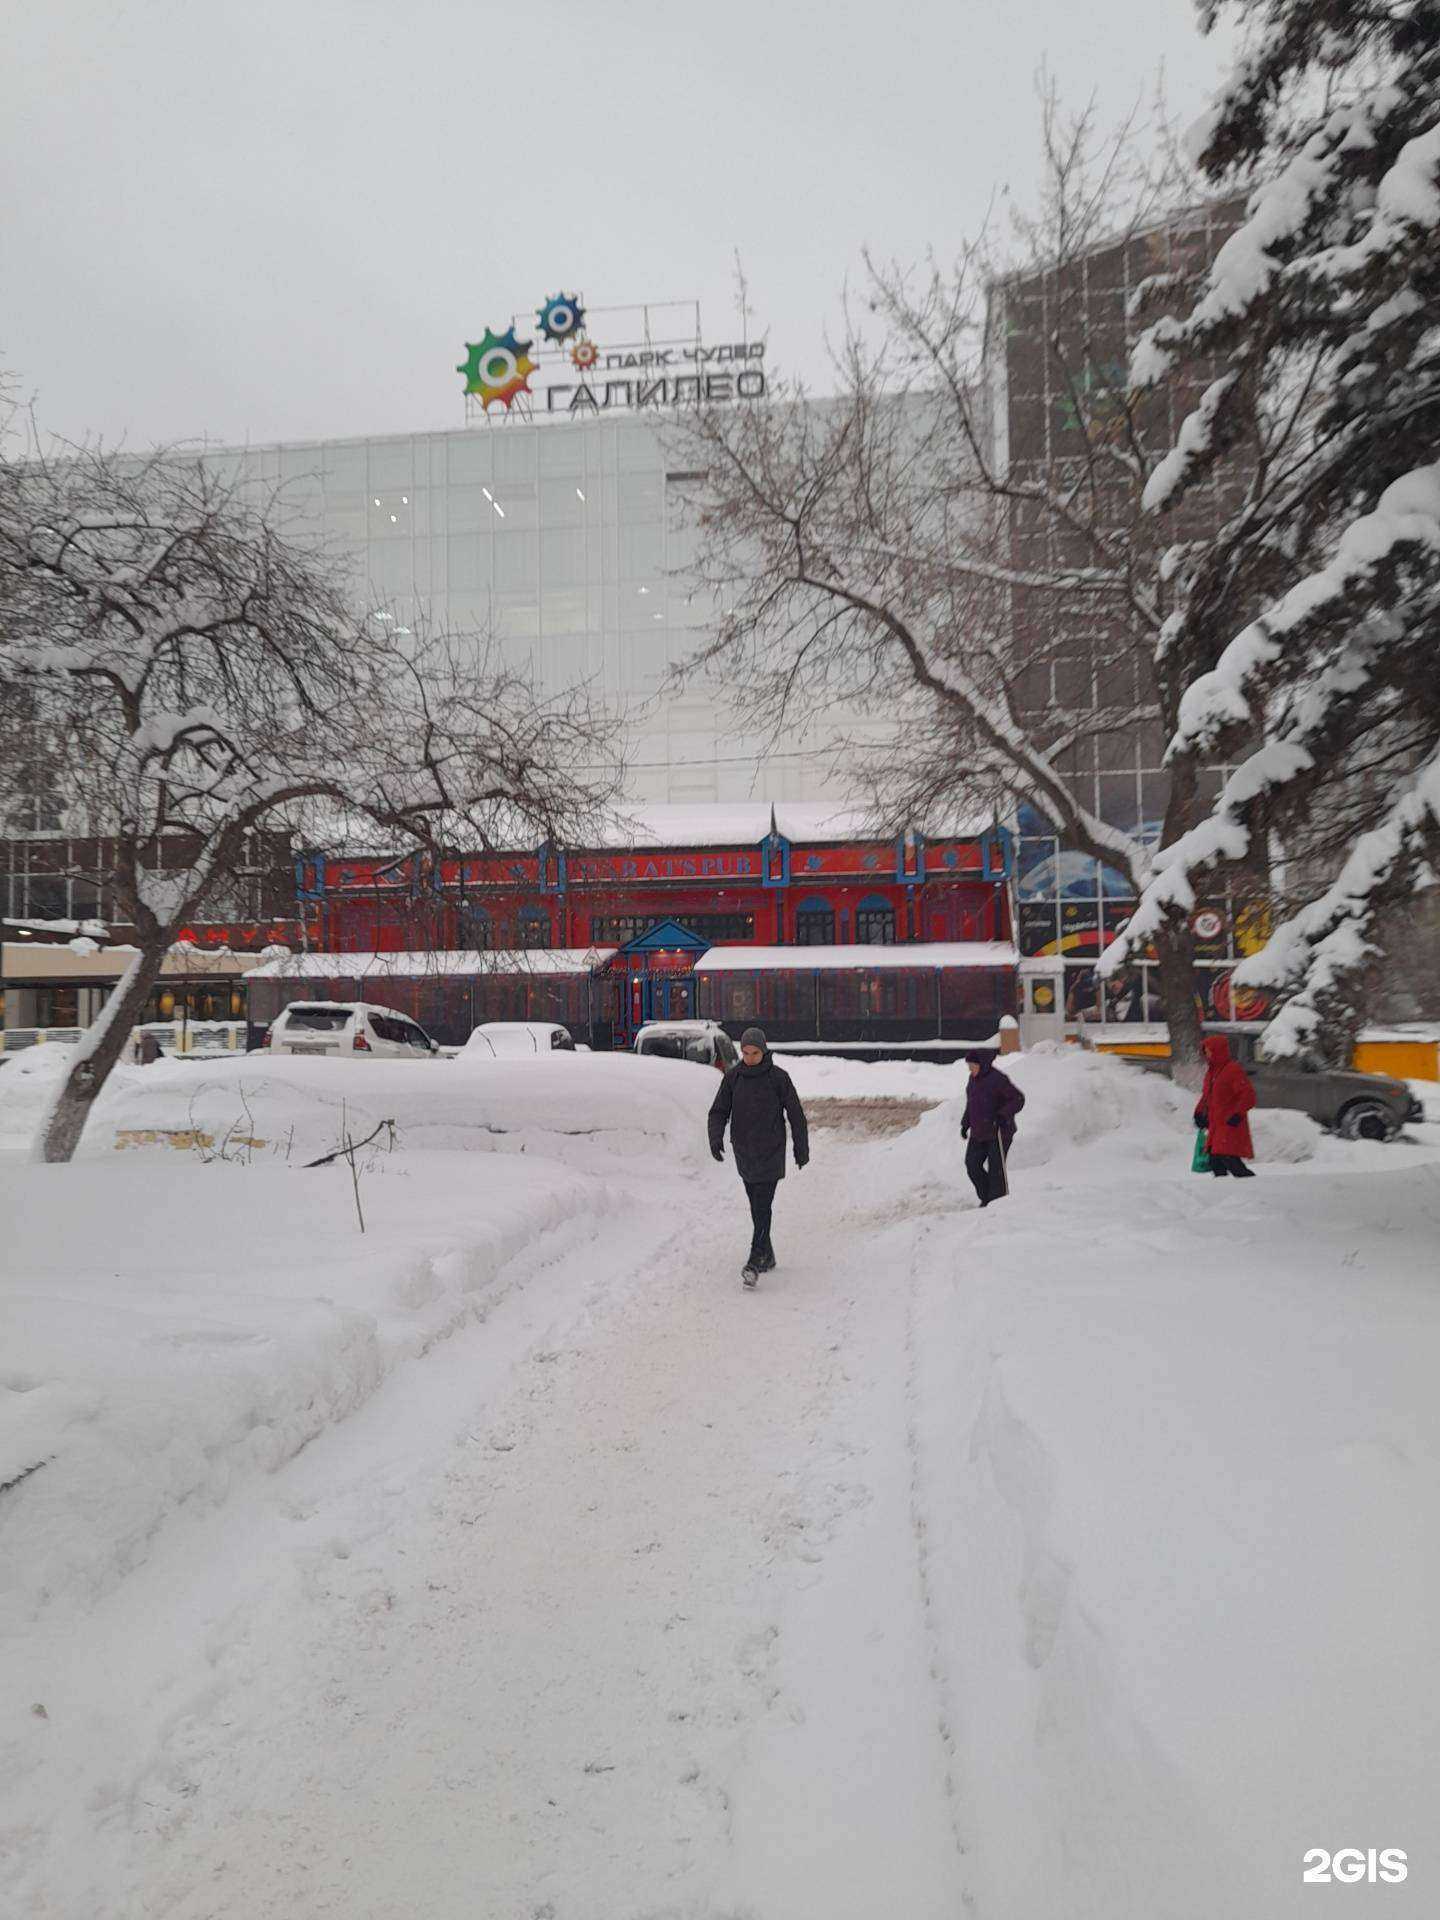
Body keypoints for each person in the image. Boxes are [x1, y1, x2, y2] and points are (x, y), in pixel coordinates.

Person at [708, 1026, 809, 1287]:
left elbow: (796, 1115)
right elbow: (718, 1111)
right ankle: (769, 1254)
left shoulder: (778, 1078)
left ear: (764, 1051)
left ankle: (754, 1259)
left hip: (771, 1150)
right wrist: (715, 1138)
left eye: (754, 1053)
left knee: (763, 1203)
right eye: (745, 1052)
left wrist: (801, 1148)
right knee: (757, 1205)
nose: (749, 1057)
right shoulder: (733, 1079)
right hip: (745, 1151)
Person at [961, 1047, 1025, 1206]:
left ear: (982, 1064)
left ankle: (997, 1203)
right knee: (972, 1164)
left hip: (999, 1132)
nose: (970, 1069)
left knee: (996, 1170)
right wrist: (965, 1123)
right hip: (979, 1132)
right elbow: (971, 1104)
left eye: (972, 1065)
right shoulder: (972, 1080)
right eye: (969, 1066)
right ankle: (986, 1197)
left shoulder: (998, 1079)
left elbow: (1018, 1099)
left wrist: (1003, 1115)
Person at [1194, 1033, 1257, 1177]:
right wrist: (1198, 1112)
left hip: (1229, 1123)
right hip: (1216, 1124)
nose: (1206, 1053)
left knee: (1228, 1158)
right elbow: (1207, 1096)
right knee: (1216, 1161)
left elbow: (1248, 1095)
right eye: (1205, 1050)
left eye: (1208, 1049)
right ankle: (1223, 1191)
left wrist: (1238, 1114)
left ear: (1217, 1050)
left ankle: (1251, 1186)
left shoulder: (1232, 1070)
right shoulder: (1211, 1072)